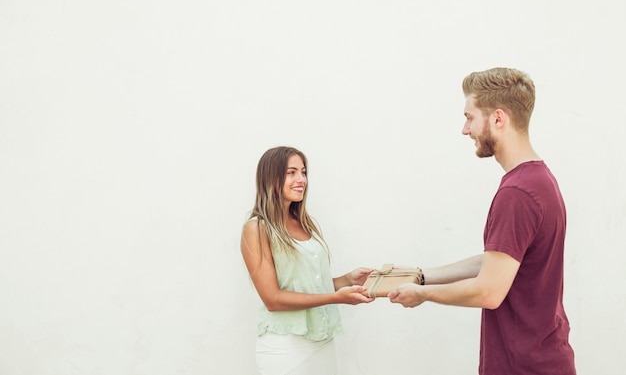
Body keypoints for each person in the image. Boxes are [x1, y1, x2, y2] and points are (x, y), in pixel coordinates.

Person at [389, 68, 576, 375]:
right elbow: (498, 262)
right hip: (543, 359)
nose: (466, 129)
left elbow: (489, 291)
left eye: (470, 117)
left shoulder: (517, 193)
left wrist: (422, 295)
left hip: (523, 367)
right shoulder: (539, 180)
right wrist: (421, 276)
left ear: (498, 119)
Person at [241, 146, 373, 375]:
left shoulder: (304, 223)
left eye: (303, 172)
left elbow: (307, 286)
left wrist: (347, 280)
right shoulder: (256, 228)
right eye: (291, 172)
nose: (301, 179)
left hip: (322, 340)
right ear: (270, 178)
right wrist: (335, 298)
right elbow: (273, 299)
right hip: (285, 348)